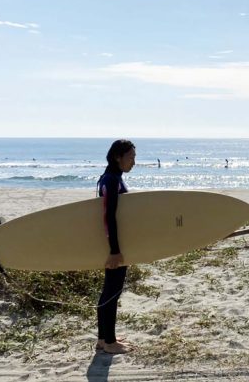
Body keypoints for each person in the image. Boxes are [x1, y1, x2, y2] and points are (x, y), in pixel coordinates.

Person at [95, 139, 136, 354]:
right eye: (130, 157)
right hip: (114, 245)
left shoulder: (109, 178)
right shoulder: (111, 180)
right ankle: (109, 342)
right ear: (117, 158)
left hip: (113, 243)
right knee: (112, 292)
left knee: (109, 291)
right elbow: (109, 216)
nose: (133, 162)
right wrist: (114, 251)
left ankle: (104, 338)